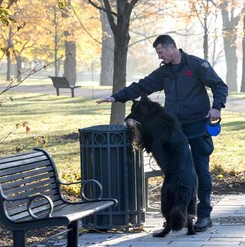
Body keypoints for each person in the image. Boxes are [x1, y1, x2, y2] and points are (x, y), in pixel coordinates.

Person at [96, 34, 228, 232]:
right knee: (174, 173)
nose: (160, 57)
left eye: (160, 52)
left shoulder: (196, 65)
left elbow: (219, 86)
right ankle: (176, 214)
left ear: (171, 48)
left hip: (197, 126)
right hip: (174, 129)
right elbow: (142, 86)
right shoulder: (164, 72)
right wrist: (116, 97)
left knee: (200, 170)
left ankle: (203, 215)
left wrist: (217, 107)